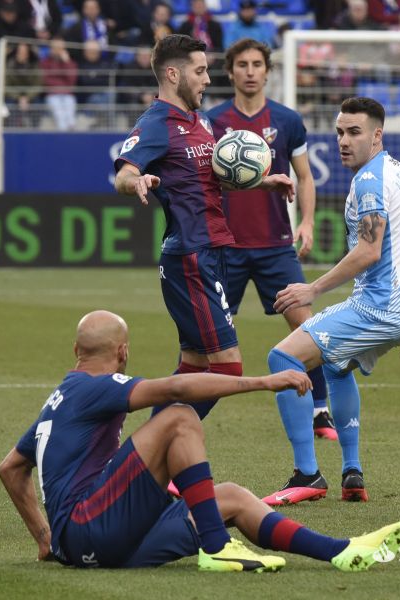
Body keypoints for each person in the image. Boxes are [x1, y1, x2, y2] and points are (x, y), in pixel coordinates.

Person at [0, 310, 400, 571]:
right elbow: (175, 388)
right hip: (93, 528)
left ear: (75, 349)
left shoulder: (61, 397)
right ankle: (216, 546)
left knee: (228, 497)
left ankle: (340, 550)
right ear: (122, 352)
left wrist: (46, 540)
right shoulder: (96, 387)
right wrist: (264, 382)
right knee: (178, 417)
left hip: (92, 543)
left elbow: (11, 468)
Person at [261, 97, 400, 506]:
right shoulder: (398, 171)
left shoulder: (370, 179)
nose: (343, 140)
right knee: (336, 366)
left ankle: (307, 475)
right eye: (339, 131)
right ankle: (351, 472)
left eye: (354, 132)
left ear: (377, 136)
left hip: (380, 305)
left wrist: (311, 290)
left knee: (282, 359)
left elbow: (369, 251)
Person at [114, 34, 294, 421]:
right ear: (174, 73)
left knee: (195, 365)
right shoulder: (156, 123)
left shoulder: (202, 121)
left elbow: (212, 178)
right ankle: (155, 451)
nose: (208, 79)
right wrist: (138, 181)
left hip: (212, 250)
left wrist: (264, 181)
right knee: (228, 367)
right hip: (190, 256)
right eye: (200, 71)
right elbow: (124, 174)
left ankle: (152, 459)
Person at [204, 39, 337, 443]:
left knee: (306, 327)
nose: (249, 71)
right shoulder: (211, 122)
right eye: (241, 64)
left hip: (277, 244)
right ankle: (189, 412)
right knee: (206, 335)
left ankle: (320, 409)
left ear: (267, 71)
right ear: (230, 72)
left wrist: (308, 222)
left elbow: (306, 176)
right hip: (225, 245)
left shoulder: (288, 120)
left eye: (256, 64)